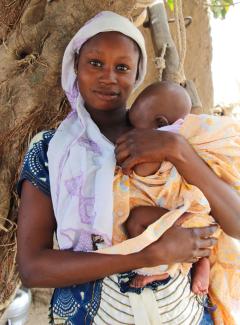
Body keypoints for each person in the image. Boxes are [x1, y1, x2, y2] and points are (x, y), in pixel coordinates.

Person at [16, 11, 240, 325]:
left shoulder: (173, 134)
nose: (108, 76)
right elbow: (33, 267)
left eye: (122, 67)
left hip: (182, 311)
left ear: (136, 75)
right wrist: (146, 256)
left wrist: (179, 152)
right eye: (95, 63)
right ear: (75, 67)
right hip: (92, 313)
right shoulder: (53, 150)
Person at [121, 81, 210, 296]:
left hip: (186, 215)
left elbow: (132, 168)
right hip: (189, 214)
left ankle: (162, 272)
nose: (132, 133)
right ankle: (199, 261)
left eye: (135, 127)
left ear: (160, 122)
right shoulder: (182, 137)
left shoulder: (157, 144)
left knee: (136, 220)